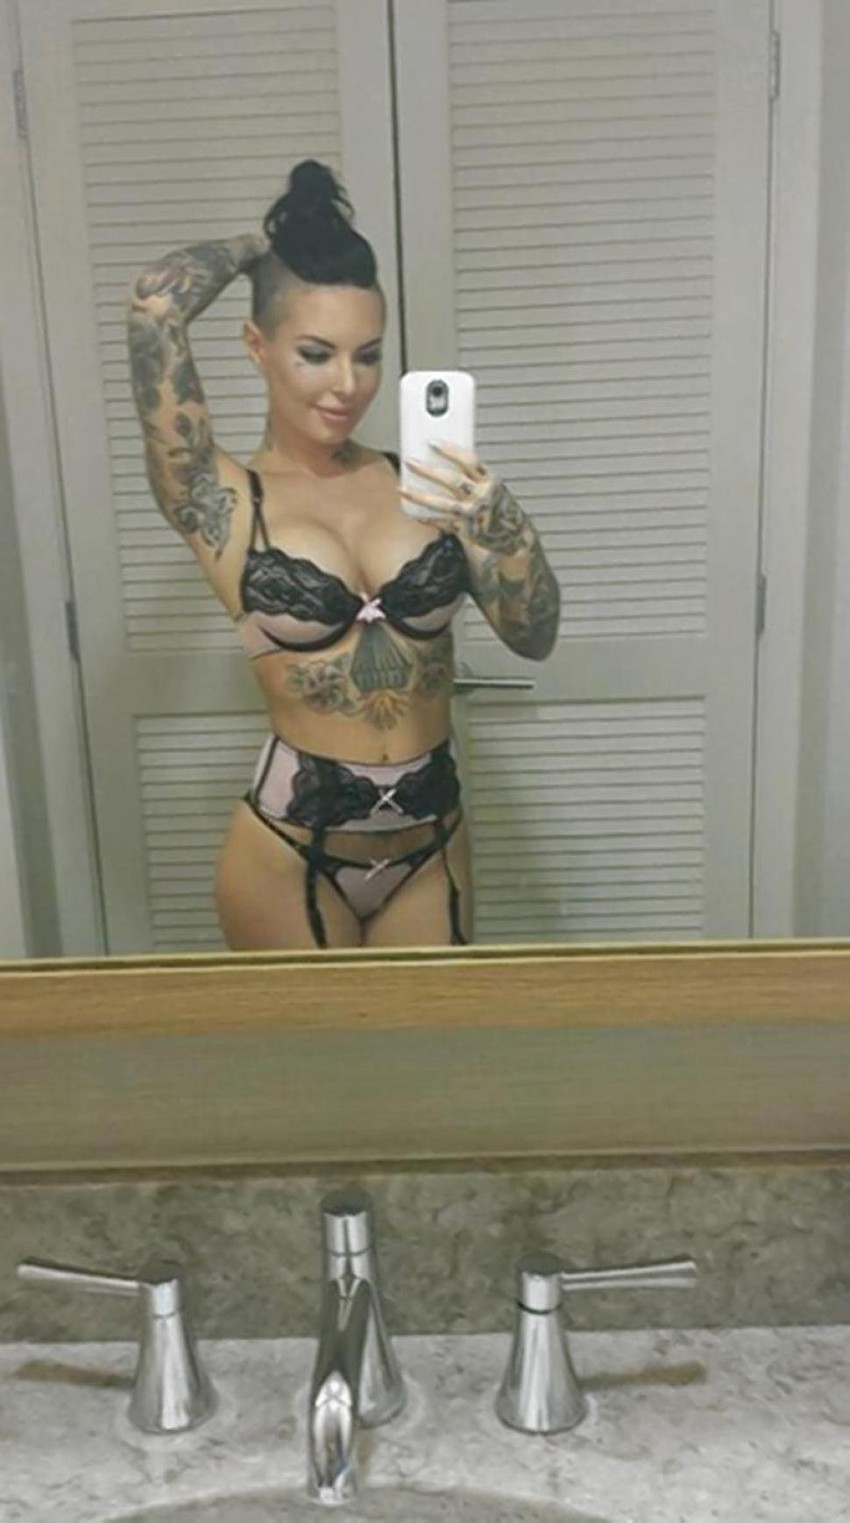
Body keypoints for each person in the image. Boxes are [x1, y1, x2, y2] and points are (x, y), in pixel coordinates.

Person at [126, 160, 560, 951]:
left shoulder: (425, 484)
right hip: (290, 853)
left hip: (433, 841)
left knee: (429, 1036)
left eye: (368, 355)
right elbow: (157, 303)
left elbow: (534, 635)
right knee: (312, 1042)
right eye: (316, 353)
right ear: (257, 346)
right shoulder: (222, 497)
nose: (347, 384)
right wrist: (266, 247)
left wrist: (500, 521)